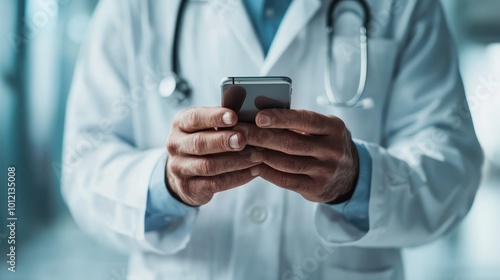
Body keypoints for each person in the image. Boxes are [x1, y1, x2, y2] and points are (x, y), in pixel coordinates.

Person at [61, 0, 483, 279]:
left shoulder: (406, 6)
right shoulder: (133, 8)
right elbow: (83, 165)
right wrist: (166, 184)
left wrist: (358, 180)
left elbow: (453, 166)